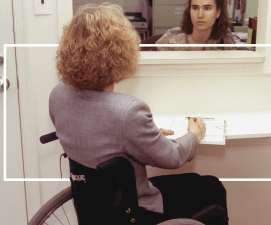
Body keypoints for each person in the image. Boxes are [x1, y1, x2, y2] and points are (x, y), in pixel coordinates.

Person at [51, 2, 228, 223]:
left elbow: (100, 138)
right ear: (120, 52)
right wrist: (194, 135)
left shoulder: (58, 96)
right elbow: (173, 157)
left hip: (93, 208)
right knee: (212, 187)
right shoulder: (128, 112)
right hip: (133, 211)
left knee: (194, 179)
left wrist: (146, 133)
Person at [155, 0, 236, 51]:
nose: (200, 15)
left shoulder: (224, 38)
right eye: (195, 8)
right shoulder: (172, 37)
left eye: (207, 8)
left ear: (218, 12)